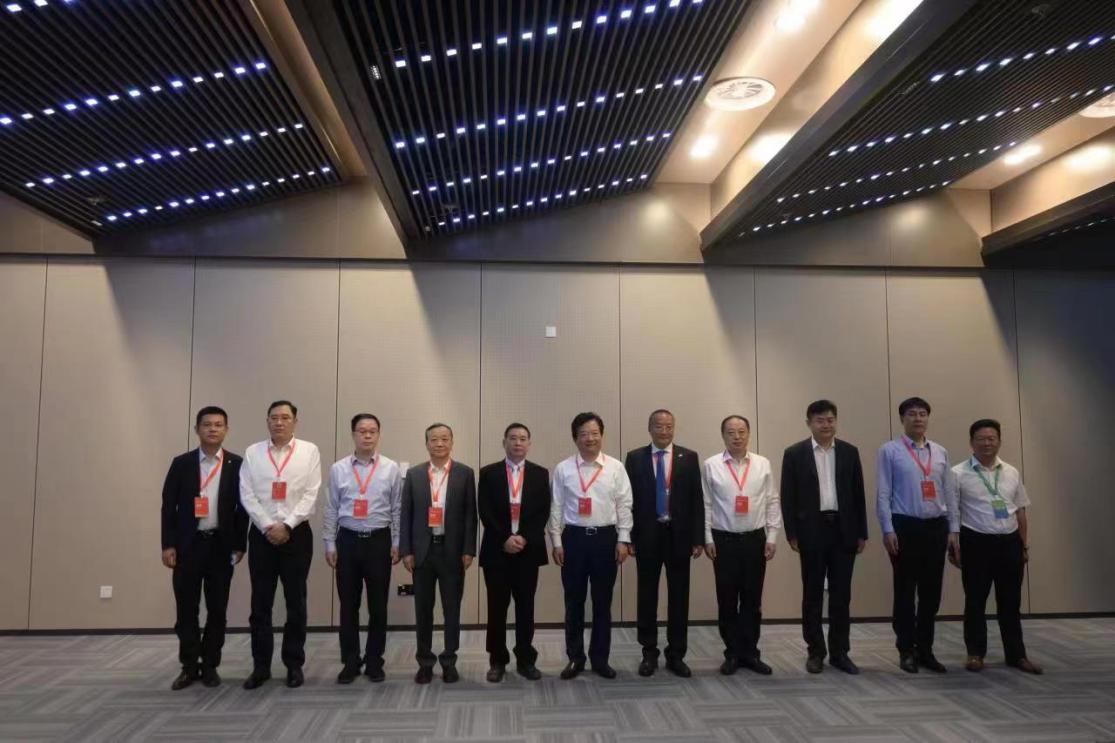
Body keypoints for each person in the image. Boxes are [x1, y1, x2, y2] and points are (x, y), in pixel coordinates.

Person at [160, 406, 247, 690]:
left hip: (220, 546)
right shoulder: (182, 464)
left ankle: (210, 665)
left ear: (226, 430)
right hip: (188, 546)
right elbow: (168, 507)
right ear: (196, 429)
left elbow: (243, 509)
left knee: (217, 609)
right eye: (207, 424)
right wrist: (168, 544)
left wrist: (239, 544)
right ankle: (188, 666)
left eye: (218, 425)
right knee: (187, 609)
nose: (212, 429)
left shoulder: (237, 464)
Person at [780, 400, 868, 675]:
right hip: (812, 530)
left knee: (842, 595)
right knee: (813, 594)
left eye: (830, 419)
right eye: (820, 420)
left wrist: (862, 532)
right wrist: (792, 533)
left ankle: (840, 653)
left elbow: (858, 494)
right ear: (809, 423)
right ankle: (815, 651)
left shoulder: (849, 452)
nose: (826, 425)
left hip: (844, 530)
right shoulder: (794, 453)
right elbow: (787, 496)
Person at [239, 400, 322, 689]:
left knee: (295, 602)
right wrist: (267, 525)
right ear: (267, 421)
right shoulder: (253, 452)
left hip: (296, 535)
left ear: (295, 422)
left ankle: (293, 665)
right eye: (274, 417)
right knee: (260, 603)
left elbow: (311, 493)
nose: (279, 422)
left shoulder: (309, 451)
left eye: (285, 417)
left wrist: (287, 525)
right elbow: (247, 494)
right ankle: (260, 667)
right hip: (262, 535)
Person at [951, 419, 1042, 674]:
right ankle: (975, 654)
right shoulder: (957, 473)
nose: (987, 443)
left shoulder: (1011, 471)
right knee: (975, 601)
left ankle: (1016, 655)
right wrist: (954, 545)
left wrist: (1023, 545)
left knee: (1011, 602)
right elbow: (953, 513)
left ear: (999, 441)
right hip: (976, 542)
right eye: (981, 438)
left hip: (1009, 542)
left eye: (991, 438)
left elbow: (1020, 510)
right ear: (971, 443)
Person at [876, 396, 959, 674]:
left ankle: (926, 649)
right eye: (912, 414)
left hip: (936, 526)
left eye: (923, 413)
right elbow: (883, 492)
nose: (918, 418)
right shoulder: (890, 451)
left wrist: (953, 529)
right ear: (902, 419)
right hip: (905, 527)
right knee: (905, 592)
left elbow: (949, 492)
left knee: (931, 594)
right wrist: (887, 528)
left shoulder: (940, 452)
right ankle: (906, 650)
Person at [549, 412, 633, 680]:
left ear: (602, 436)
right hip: (573, 540)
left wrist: (623, 539)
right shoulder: (563, 469)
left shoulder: (615, 468)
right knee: (573, 601)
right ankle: (575, 658)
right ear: (575, 438)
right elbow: (556, 507)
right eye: (584, 434)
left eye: (595, 433)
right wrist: (556, 541)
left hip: (605, 540)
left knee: (602, 602)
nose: (590, 438)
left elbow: (624, 505)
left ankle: (600, 659)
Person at [323, 413, 402, 684]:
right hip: (347, 541)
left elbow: (397, 508)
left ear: (378, 434)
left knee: (378, 606)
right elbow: (331, 507)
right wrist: (329, 542)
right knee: (348, 605)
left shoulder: (391, 468)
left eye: (372, 431)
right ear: (353, 434)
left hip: (379, 541)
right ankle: (350, 661)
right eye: (361, 431)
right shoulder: (338, 469)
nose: (367, 435)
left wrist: (397, 542)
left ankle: (374, 660)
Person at [624, 409, 703, 678]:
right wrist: (629, 537)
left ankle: (676, 654)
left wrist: (697, 538)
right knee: (647, 595)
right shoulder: (635, 458)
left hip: (679, 536)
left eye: (669, 426)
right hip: (647, 535)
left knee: (679, 596)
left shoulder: (689, 457)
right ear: (650, 428)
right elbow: (627, 501)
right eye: (659, 426)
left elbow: (696, 499)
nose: (664, 431)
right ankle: (649, 652)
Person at [702, 415, 781, 675]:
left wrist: (772, 536)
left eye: (741, 431)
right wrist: (707, 538)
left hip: (754, 539)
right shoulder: (711, 465)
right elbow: (706, 504)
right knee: (726, 600)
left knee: (752, 600)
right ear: (723, 435)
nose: (737, 437)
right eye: (731, 432)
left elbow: (772, 500)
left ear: (749, 434)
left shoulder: (762, 464)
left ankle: (750, 653)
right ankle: (732, 654)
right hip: (723, 540)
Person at [400, 423, 477, 684]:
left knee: (451, 609)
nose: (440, 443)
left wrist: (468, 549)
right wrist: (406, 550)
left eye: (444, 439)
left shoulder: (465, 473)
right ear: (427, 444)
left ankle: (449, 661)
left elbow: (470, 515)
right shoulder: (414, 474)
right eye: (434, 439)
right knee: (423, 610)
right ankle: (424, 662)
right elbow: (406, 514)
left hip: (452, 552)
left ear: (452, 442)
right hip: (422, 552)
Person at [478, 423, 551, 682]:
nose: (517, 443)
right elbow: (485, 510)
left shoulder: (540, 474)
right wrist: (505, 538)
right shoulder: (488, 473)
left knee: (526, 607)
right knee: (496, 608)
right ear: (504, 442)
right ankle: (497, 660)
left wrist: (524, 537)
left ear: (529, 444)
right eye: (513, 438)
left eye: (522, 439)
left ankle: (525, 659)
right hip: (497, 551)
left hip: (527, 551)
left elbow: (543, 511)